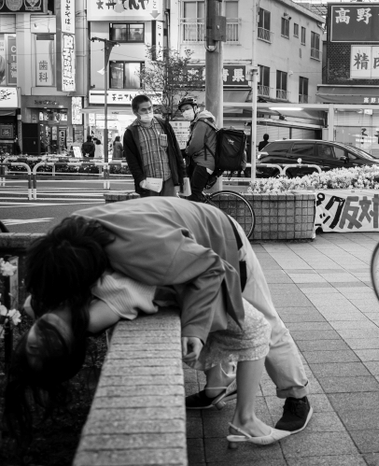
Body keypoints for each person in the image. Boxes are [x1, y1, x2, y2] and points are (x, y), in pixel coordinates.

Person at [10, 197, 312, 438]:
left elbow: (210, 267)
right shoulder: (68, 254)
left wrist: (194, 328)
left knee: (264, 322)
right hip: (184, 226)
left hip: (222, 236)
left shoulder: (131, 250)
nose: (43, 341)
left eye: (35, 346)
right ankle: (215, 388)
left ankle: (297, 395)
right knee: (206, 311)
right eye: (46, 352)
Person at [123, 94, 186, 197]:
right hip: (148, 184)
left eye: (150, 108)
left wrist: (182, 175)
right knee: (151, 212)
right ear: (135, 112)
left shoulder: (164, 125)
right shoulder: (131, 133)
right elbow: (132, 161)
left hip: (168, 179)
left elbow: (176, 151)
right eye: (143, 110)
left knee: (169, 211)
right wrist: (140, 180)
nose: (148, 112)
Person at [178, 97, 217, 203]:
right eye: (182, 111)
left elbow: (195, 145)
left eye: (187, 108)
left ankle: (217, 216)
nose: (185, 112)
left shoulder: (201, 123)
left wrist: (185, 152)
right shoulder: (197, 123)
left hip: (204, 163)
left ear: (195, 108)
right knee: (191, 193)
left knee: (194, 194)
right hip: (201, 162)